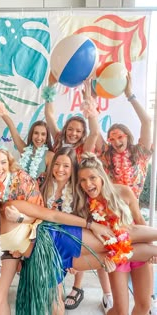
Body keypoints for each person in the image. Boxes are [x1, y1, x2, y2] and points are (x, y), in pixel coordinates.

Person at [0, 175, 157, 315]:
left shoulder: (12, 205)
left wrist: (91, 224)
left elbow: (53, 216)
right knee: (119, 255)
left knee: (118, 237)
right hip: (45, 260)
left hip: (57, 238)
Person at [43, 74, 112, 310]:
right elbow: (49, 115)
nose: (73, 133)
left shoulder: (84, 150)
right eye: (70, 129)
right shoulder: (57, 142)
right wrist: (51, 85)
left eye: (77, 131)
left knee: (80, 249)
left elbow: (94, 130)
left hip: (78, 206)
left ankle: (78, 286)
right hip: (54, 207)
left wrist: (87, 95)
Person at [96, 72, 154, 314]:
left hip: (136, 219)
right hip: (113, 224)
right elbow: (94, 131)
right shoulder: (106, 158)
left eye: (120, 136)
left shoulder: (140, 153)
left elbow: (147, 122)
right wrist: (91, 100)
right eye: (112, 138)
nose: (115, 140)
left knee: (144, 304)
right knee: (120, 308)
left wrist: (130, 94)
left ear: (127, 138)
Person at [76, 152, 155, 315]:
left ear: (101, 176)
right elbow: (92, 241)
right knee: (120, 311)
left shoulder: (124, 192)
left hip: (137, 249)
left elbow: (139, 220)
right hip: (115, 258)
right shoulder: (83, 205)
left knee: (145, 305)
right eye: (82, 180)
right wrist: (102, 262)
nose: (87, 184)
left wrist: (150, 248)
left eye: (92, 178)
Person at [0, 144, 43, 315]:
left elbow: (40, 216)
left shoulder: (23, 181)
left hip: (12, 245)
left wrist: (19, 219)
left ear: (9, 162)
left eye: (3, 162)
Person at [0, 99, 54, 179]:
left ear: (47, 137)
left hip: (39, 191)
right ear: (31, 134)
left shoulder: (50, 156)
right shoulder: (25, 150)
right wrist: (0, 109)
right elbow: (12, 127)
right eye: (36, 133)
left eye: (43, 134)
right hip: (18, 189)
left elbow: (50, 181)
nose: (39, 137)